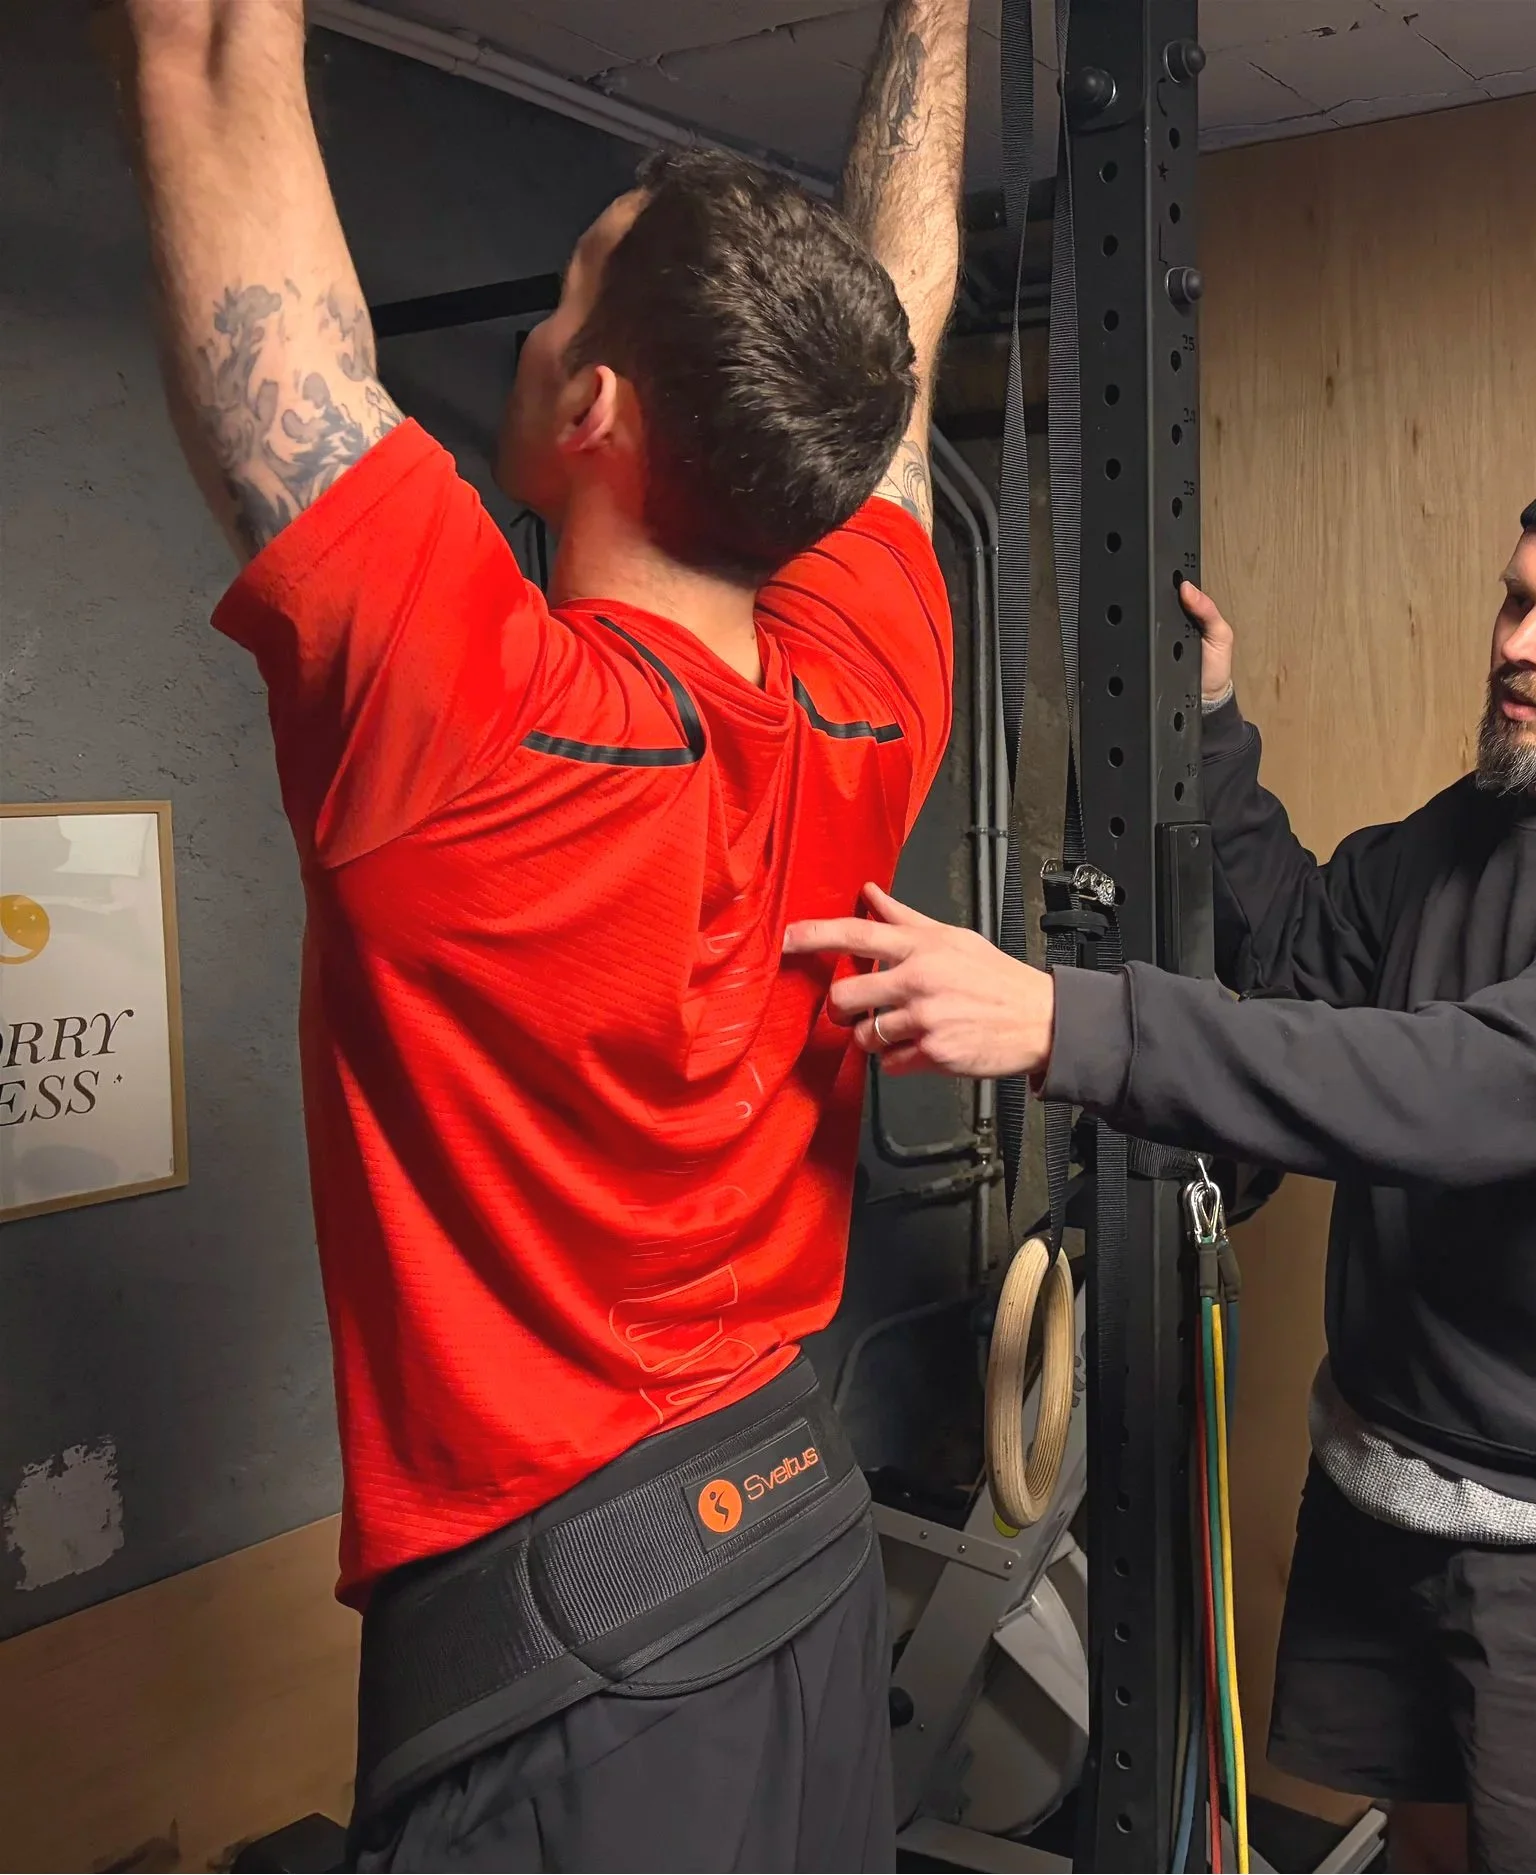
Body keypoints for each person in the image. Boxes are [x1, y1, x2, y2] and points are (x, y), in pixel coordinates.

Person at [109, 0, 967, 1864]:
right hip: (804, 1571)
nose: (538, 323)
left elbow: (202, 51)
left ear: (592, 411)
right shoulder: (871, 703)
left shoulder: (469, 720)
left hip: (573, 1682)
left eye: (566, 297)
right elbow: (898, 318)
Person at [790, 463, 1536, 1872]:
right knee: (1423, 1852)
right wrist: (1209, 727)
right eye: (1516, 599)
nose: (1521, 642)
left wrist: (1069, 1023)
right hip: (1392, 1477)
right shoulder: (1473, 828)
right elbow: (1307, 948)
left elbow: (1441, 1090)